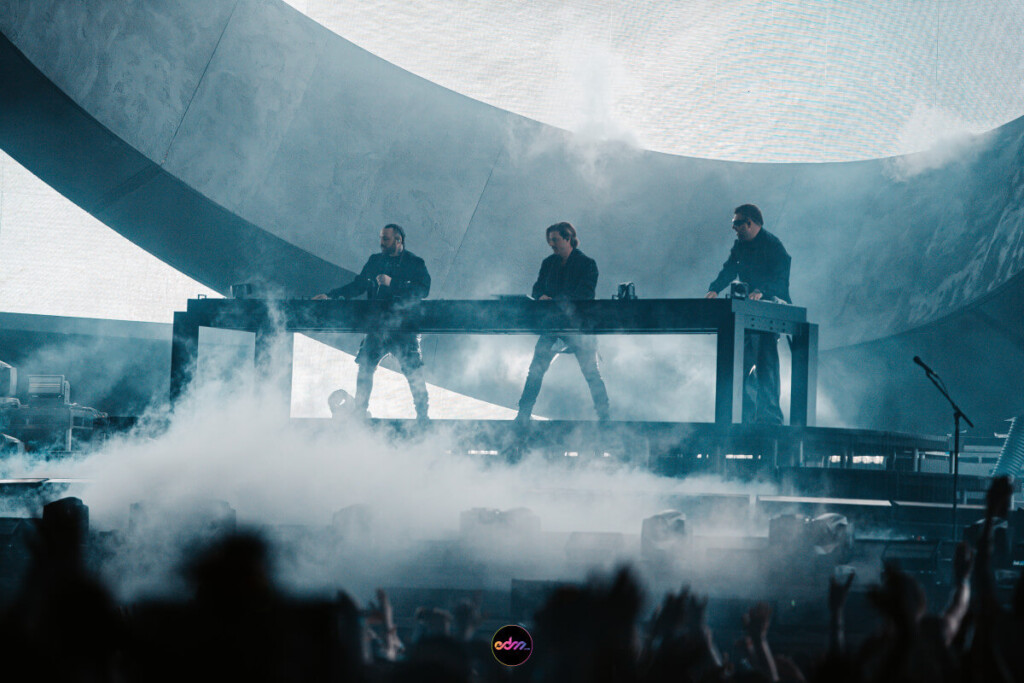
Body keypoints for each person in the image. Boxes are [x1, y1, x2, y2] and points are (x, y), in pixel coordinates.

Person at [315, 224, 430, 419]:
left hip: (404, 328)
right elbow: (358, 285)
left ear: (398, 240)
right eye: (381, 238)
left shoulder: (415, 263)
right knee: (365, 368)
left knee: (413, 372)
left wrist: (392, 283)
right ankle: (360, 412)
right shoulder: (375, 261)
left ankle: (423, 417)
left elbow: (423, 290)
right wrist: (331, 295)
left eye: (386, 239)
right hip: (378, 326)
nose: (381, 243)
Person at [705, 204, 791, 425]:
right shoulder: (740, 246)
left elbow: (781, 277)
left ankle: (769, 419)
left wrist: (762, 290)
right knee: (742, 364)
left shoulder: (774, 246)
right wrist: (715, 289)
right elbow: (729, 269)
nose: (734, 228)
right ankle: (743, 417)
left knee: (767, 363)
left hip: (769, 311)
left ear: (750, 223)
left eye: (737, 224)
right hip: (748, 311)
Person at [516, 222, 610, 422]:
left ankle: (604, 417)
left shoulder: (587, 264)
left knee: (591, 373)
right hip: (553, 326)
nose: (551, 244)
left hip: (578, 328)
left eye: (555, 240)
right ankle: (523, 414)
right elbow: (536, 289)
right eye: (550, 240)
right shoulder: (548, 263)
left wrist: (554, 300)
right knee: (536, 371)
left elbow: (585, 295)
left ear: (568, 238)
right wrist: (540, 297)